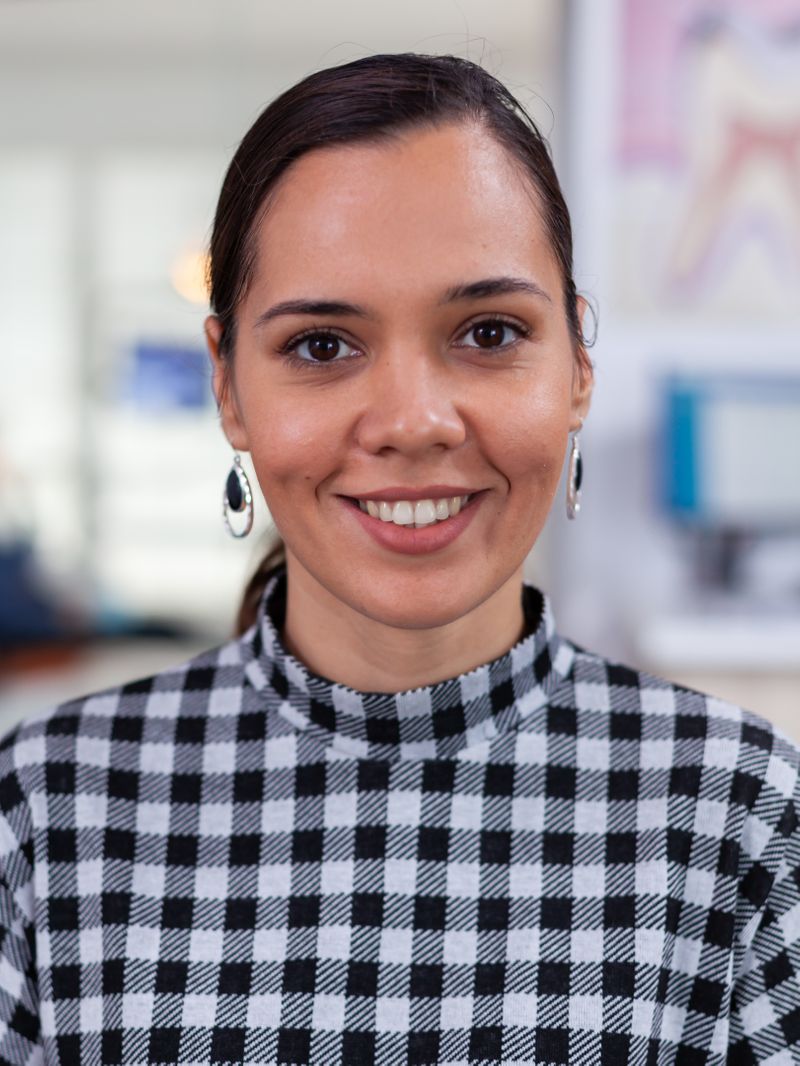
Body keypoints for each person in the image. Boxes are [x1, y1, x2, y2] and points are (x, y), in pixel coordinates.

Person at [0, 53, 798, 1066]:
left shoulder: (735, 807)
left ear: (577, 371)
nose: (414, 422)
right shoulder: (51, 805)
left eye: (488, 331)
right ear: (229, 387)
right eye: (323, 346)